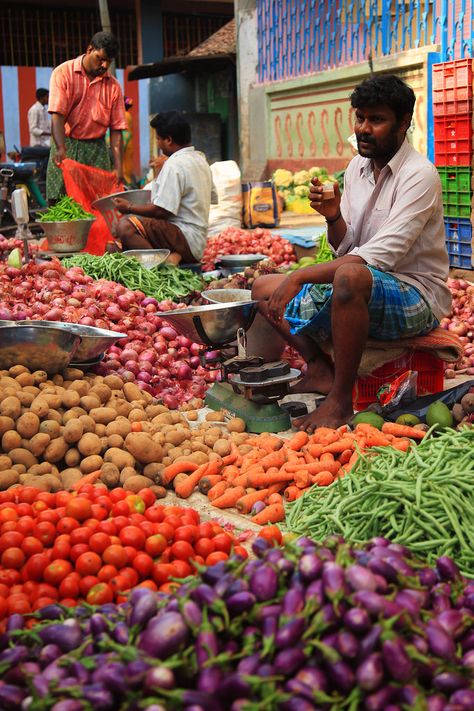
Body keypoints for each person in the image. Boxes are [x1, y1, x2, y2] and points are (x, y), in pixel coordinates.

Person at [252, 74, 451, 432]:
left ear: (404, 123)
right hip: (365, 284)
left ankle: (341, 401)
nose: (363, 128)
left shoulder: (420, 175)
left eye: (376, 119)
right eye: (359, 117)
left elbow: (380, 257)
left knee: (347, 277)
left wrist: (299, 275)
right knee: (264, 288)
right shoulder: (357, 168)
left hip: (416, 295)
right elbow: (348, 246)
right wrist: (333, 217)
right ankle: (320, 368)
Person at [114, 111, 212, 264]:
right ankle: (171, 256)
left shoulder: (175, 164)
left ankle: (160, 267)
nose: (158, 144)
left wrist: (129, 207)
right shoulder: (201, 160)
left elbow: (162, 210)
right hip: (197, 240)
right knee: (120, 243)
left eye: (159, 139)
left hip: (184, 237)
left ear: (168, 140)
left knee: (125, 226)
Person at [46, 31, 127, 201]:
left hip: (96, 150)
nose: (104, 65)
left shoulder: (114, 87)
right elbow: (57, 116)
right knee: (60, 201)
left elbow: (117, 130)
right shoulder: (63, 73)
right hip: (66, 145)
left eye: (109, 62)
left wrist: (119, 167)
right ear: (90, 49)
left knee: (97, 202)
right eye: (101, 59)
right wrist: (61, 148)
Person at [122, 96, 134, 185]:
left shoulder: (124, 115)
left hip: (124, 144)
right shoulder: (127, 115)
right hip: (128, 144)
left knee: (125, 168)